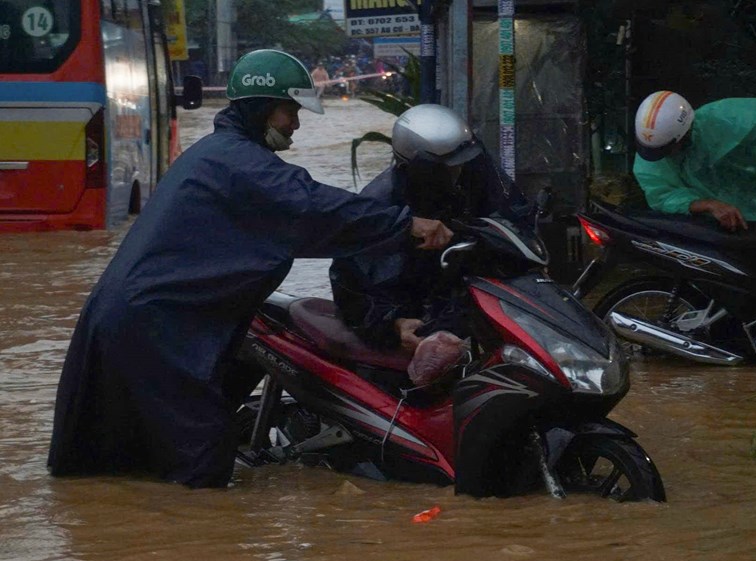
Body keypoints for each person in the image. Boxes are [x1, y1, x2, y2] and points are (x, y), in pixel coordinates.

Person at [47, 49, 452, 488]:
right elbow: (315, 209)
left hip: (146, 318)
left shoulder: (221, 154)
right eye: (289, 111)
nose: (295, 124)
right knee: (201, 458)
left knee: (133, 461)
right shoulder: (242, 166)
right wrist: (406, 225)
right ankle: (198, 547)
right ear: (262, 107)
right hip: (155, 325)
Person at [329, 104, 533, 351]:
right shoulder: (382, 207)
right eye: (449, 168)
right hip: (416, 324)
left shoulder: (479, 172)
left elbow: (517, 218)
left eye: (462, 164)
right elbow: (349, 283)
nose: (459, 172)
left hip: (477, 304)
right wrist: (393, 324)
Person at [632, 91, 756, 232]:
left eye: (667, 148)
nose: (663, 155)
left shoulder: (724, 118)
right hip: (722, 227)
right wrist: (707, 205)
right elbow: (662, 195)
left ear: (685, 133)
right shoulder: (651, 155)